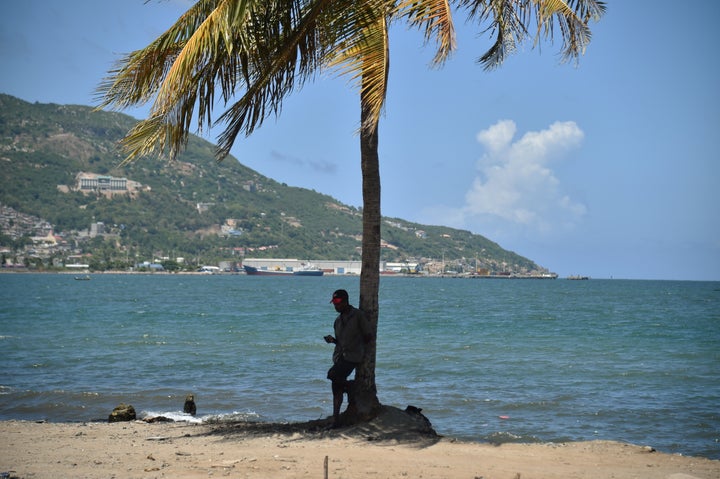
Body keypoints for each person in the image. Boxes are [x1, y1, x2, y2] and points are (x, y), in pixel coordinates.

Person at [324, 289, 373, 427]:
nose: (336, 306)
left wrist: (357, 343)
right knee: (336, 387)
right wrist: (332, 340)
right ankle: (336, 420)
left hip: (353, 356)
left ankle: (352, 387)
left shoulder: (358, 315)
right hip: (340, 356)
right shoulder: (338, 321)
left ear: (346, 301)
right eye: (334, 303)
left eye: (338, 303)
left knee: (332, 374)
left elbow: (368, 335)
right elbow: (340, 341)